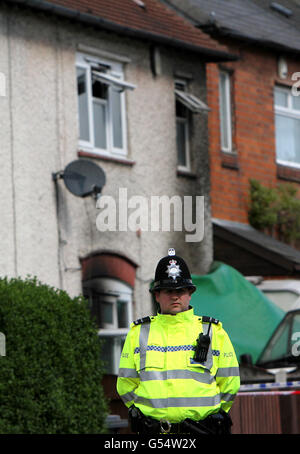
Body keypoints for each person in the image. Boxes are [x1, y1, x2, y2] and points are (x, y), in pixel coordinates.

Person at [117, 249, 240, 434]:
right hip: (154, 433)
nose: (175, 296)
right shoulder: (138, 333)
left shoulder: (213, 331)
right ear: (156, 295)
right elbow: (125, 384)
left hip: (202, 431)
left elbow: (230, 383)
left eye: (180, 290)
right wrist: (145, 415)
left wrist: (212, 415)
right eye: (168, 291)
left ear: (190, 293)